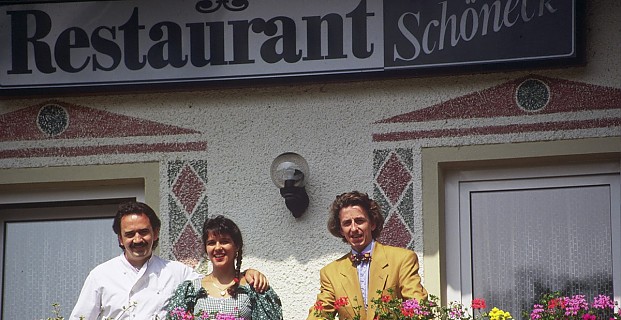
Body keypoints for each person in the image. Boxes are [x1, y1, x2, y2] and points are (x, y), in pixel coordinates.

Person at [70, 201, 269, 320]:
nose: (137, 239)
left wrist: (245, 274)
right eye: (130, 234)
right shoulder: (101, 275)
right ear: (120, 239)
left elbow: (217, 281)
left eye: (144, 232)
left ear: (155, 233)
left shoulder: (176, 272)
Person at [307, 191, 428, 320]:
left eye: (359, 221)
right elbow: (320, 313)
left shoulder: (402, 259)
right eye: (347, 223)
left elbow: (418, 306)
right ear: (341, 230)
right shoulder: (330, 273)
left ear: (372, 224)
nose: (353, 228)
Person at [165, 215, 283, 319]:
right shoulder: (191, 290)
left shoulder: (254, 287)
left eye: (224, 241)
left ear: (236, 246)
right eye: (211, 243)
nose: (217, 248)